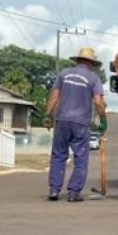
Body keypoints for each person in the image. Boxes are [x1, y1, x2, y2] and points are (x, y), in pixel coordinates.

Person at [44, 47, 107, 202]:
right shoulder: (93, 78)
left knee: (58, 156)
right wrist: (103, 120)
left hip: (62, 120)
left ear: (77, 60)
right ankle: (73, 193)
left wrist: (47, 115)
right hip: (80, 123)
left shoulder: (64, 73)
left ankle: (54, 190)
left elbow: (54, 96)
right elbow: (98, 102)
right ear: (91, 63)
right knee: (80, 158)